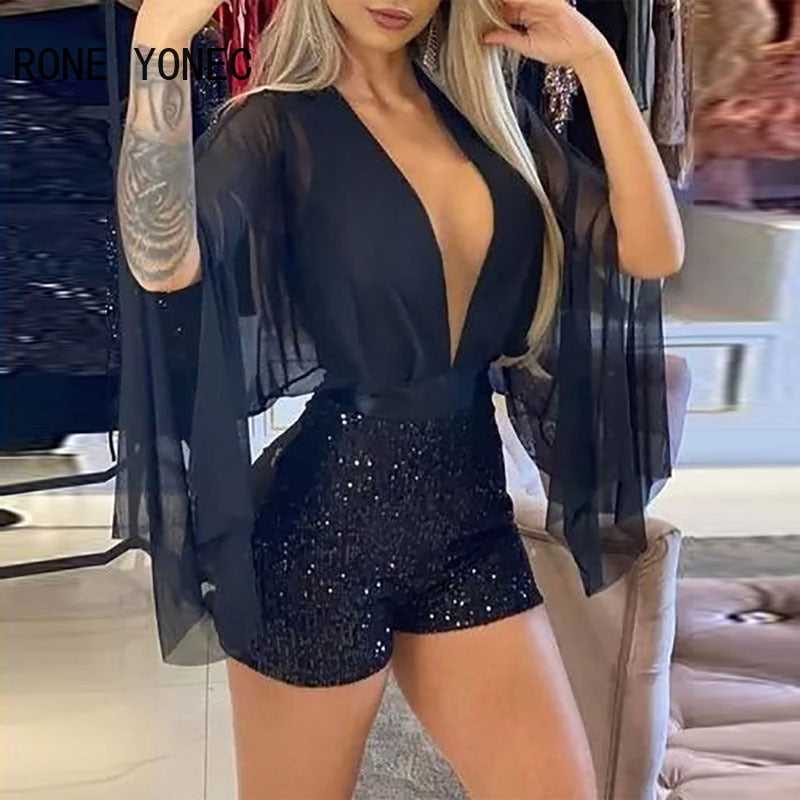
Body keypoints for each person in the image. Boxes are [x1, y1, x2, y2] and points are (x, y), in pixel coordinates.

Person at [114, 1, 684, 798]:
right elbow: (160, 263)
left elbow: (652, 250)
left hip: (470, 526)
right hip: (320, 546)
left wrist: (596, 61)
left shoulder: (489, 122)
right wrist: (160, 40)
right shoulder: (276, 125)